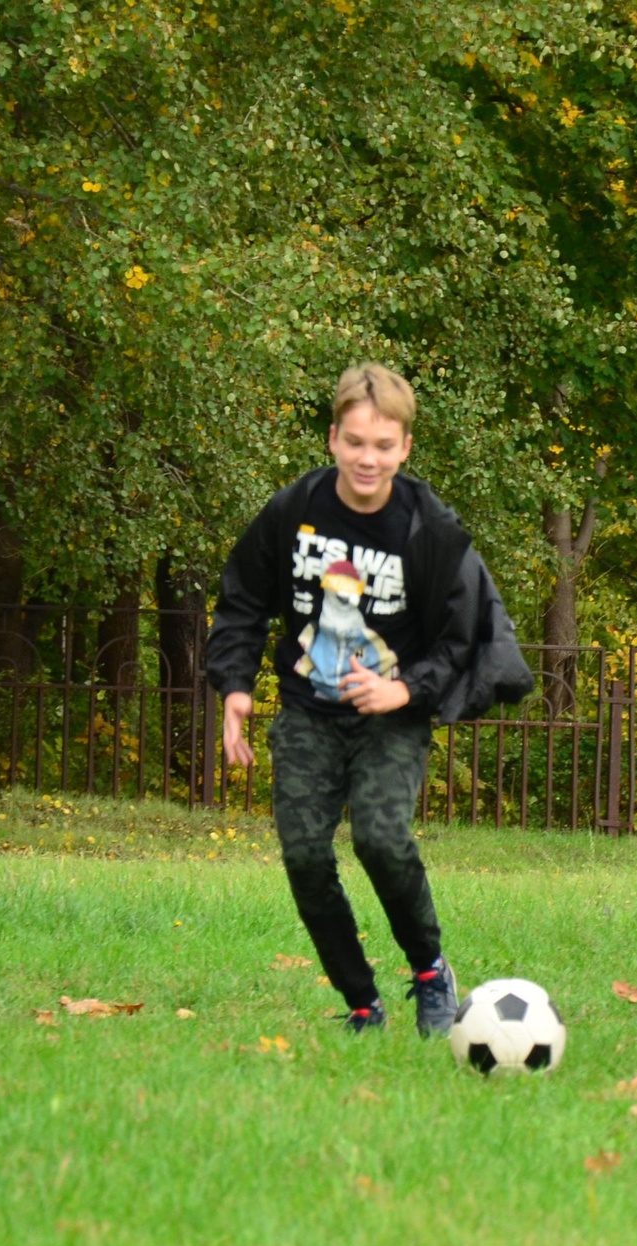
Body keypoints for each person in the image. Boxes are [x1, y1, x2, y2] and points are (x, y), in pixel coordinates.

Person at [206, 362, 529, 1035]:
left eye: (384, 446)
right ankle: (361, 1002)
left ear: (405, 447)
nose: (367, 459)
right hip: (307, 714)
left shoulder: (429, 530)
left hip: (391, 719)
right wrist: (236, 687)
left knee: (381, 840)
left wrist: (403, 688)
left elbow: (466, 639)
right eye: (356, 442)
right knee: (304, 856)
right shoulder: (294, 510)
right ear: (332, 438)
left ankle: (430, 970)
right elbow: (241, 599)